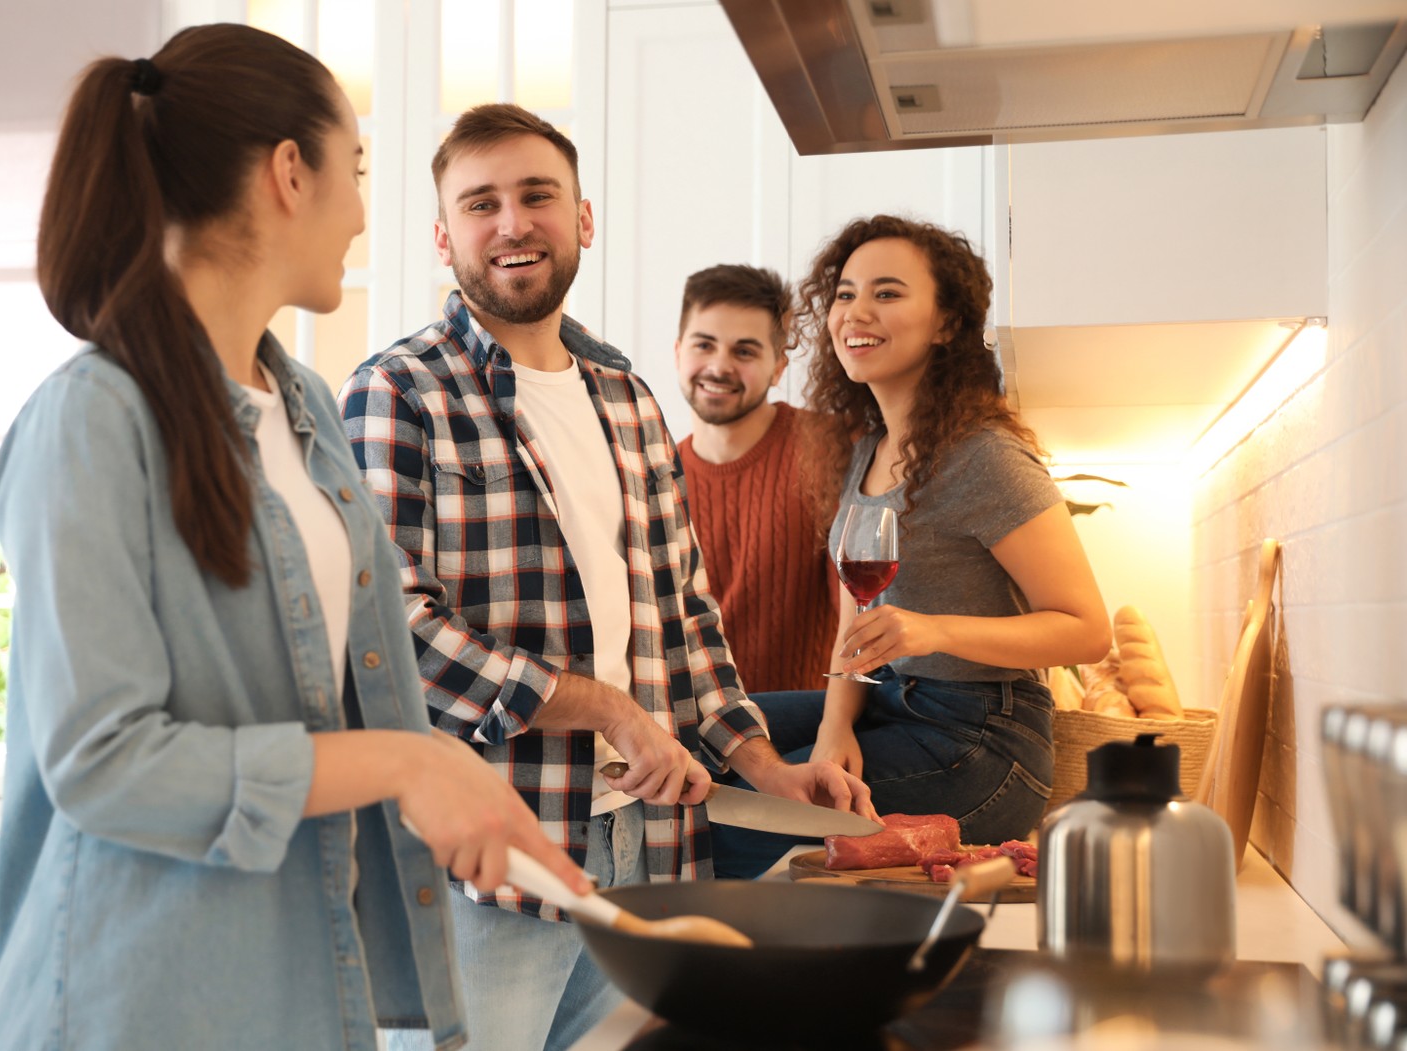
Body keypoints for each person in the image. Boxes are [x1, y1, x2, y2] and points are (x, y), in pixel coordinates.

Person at [0, 27, 587, 1051]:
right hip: (139, 1001)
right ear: (288, 174)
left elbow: (357, 690)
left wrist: (469, 794)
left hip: (307, 986)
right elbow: (104, 763)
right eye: (353, 171)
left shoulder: (301, 400)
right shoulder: (91, 418)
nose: (361, 212)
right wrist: (408, 764)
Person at [339, 104, 873, 1051]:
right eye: (482, 203)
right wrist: (609, 710)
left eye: (538, 196)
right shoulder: (396, 391)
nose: (512, 223)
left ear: (583, 218)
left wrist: (765, 767)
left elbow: (683, 614)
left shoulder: (626, 397)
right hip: (497, 852)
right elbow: (391, 630)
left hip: (650, 846)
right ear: (442, 236)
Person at [713, 215, 1111, 879]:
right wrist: (836, 723)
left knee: (728, 816)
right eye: (844, 293)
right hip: (891, 703)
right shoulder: (870, 446)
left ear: (948, 322)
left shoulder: (981, 456)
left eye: (888, 293)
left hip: (983, 742)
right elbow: (856, 603)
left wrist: (930, 630)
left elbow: (1087, 630)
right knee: (712, 734)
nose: (856, 311)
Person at [672, 263, 839, 692]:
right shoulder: (652, 478)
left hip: (809, 733)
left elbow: (862, 613)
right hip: (693, 741)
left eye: (744, 351)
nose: (719, 367)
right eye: (704, 345)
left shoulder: (832, 447)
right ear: (678, 352)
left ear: (778, 368)